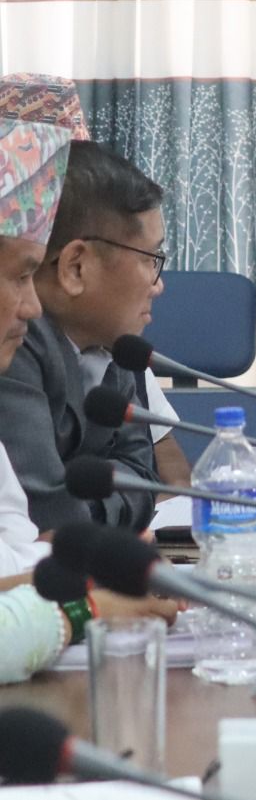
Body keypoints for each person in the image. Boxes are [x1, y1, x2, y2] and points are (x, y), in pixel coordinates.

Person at [0, 115, 176, 683]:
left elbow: (22, 552)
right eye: (21, 277)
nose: (31, 306)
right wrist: (91, 600)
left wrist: (96, 566)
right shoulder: (18, 352)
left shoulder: (113, 345)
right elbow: (50, 521)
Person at [0, 137, 167, 531]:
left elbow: (144, 477)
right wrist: (101, 511)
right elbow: (50, 515)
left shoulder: (111, 339)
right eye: (151, 259)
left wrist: (85, 507)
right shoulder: (14, 338)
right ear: (75, 267)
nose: (158, 285)